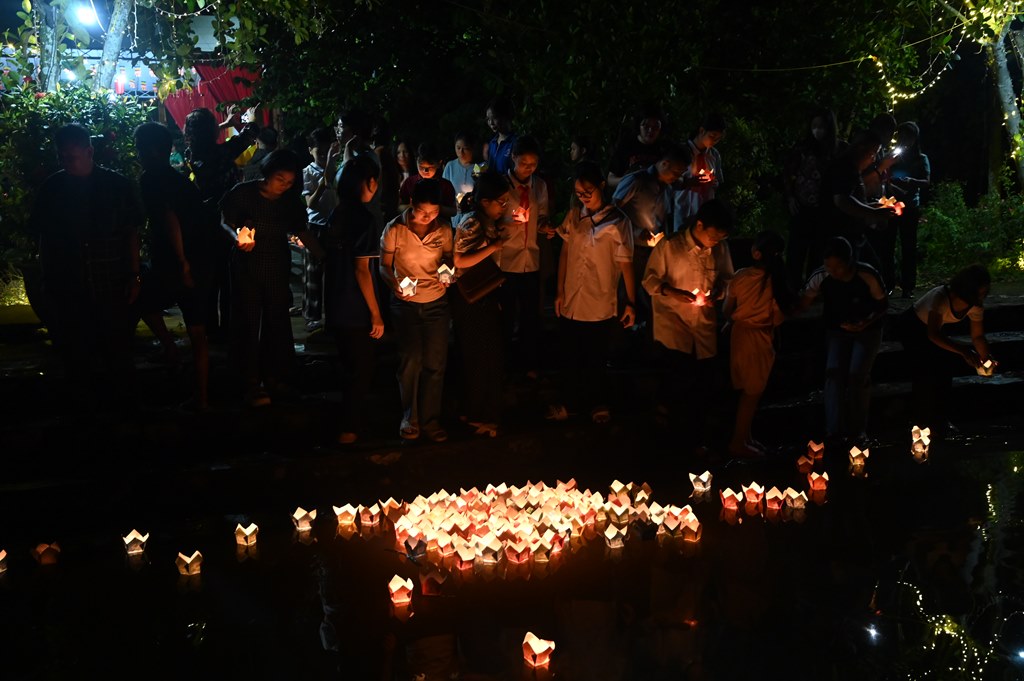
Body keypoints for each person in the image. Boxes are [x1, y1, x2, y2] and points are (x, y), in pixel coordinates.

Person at [31, 123, 143, 411]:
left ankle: (122, 411)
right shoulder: (53, 189)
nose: (66, 163)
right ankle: (84, 412)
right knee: (75, 353)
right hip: (69, 284)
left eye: (71, 157)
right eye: (62, 157)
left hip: (110, 281)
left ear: (89, 152)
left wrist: (133, 275)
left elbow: (130, 232)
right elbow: (44, 237)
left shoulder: (116, 186)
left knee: (116, 350)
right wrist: (46, 278)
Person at [220, 149, 325, 407]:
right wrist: (237, 238)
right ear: (268, 173)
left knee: (276, 322)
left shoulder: (289, 202)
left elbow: (302, 230)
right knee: (248, 322)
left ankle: (276, 378)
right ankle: (249, 382)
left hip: (277, 266)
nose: (284, 186)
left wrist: (323, 256)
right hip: (246, 267)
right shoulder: (243, 193)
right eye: (280, 179)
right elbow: (224, 221)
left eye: (290, 182)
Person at [548, 161, 636, 424]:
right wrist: (559, 290)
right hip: (572, 296)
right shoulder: (575, 215)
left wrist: (631, 302)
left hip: (600, 298)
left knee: (595, 355)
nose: (583, 197)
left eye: (588, 191)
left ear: (601, 186)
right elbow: (565, 252)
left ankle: (597, 403)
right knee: (570, 354)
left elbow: (626, 264)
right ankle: (569, 403)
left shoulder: (618, 221)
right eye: (578, 192)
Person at [642, 199, 734, 449]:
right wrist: (671, 291)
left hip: (703, 325)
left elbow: (728, 279)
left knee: (703, 381)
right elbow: (649, 280)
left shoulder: (720, 249)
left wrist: (718, 293)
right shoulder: (670, 246)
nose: (715, 242)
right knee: (678, 377)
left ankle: (697, 437)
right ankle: (671, 437)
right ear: (699, 225)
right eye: (713, 237)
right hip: (674, 324)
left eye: (720, 239)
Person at [134, 122, 213, 410]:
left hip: (176, 262)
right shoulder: (180, 181)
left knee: (141, 301)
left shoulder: (151, 180)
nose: (138, 154)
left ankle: (170, 349)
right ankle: (202, 398)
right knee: (197, 332)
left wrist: (182, 263)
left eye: (140, 149)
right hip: (198, 260)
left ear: (153, 150)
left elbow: (170, 221)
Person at [379, 179, 454, 442]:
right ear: (411, 204)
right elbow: (384, 265)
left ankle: (431, 421)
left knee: (435, 363)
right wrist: (394, 284)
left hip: (436, 303)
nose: (428, 217)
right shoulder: (395, 229)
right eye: (423, 212)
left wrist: (446, 273)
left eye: (434, 212)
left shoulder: (444, 229)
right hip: (405, 305)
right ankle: (410, 418)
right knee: (411, 359)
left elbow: (448, 257)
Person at [799, 236, 888, 446]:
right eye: (828, 266)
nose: (833, 271)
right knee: (833, 374)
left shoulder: (867, 274)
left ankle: (858, 431)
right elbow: (804, 301)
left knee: (857, 376)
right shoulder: (821, 276)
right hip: (836, 329)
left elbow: (883, 304)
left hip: (868, 330)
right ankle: (834, 430)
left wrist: (865, 322)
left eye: (837, 267)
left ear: (849, 262)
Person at [323, 154, 386, 444]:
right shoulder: (364, 218)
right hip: (356, 306)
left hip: (336, 301)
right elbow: (362, 270)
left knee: (348, 366)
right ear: (369, 182)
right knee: (361, 369)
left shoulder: (338, 213)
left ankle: (349, 425)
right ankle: (350, 429)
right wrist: (376, 313)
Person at [183, 106, 258, 340]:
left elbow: (210, 138)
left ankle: (210, 329)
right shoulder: (221, 153)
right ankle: (228, 327)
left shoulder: (193, 152)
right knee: (229, 276)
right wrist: (251, 119)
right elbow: (248, 136)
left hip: (203, 220)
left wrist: (225, 124)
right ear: (212, 131)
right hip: (227, 218)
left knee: (209, 277)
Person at [723, 230, 796, 457]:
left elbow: (726, 310)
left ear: (756, 252)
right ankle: (738, 442)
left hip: (739, 336)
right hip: (759, 339)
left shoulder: (740, 276)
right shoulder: (776, 283)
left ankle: (746, 437)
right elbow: (778, 318)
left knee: (748, 392)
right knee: (752, 393)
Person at [896, 264, 991, 435]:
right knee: (925, 371)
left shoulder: (975, 306)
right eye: (980, 291)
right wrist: (963, 351)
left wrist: (985, 358)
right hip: (913, 326)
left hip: (935, 330)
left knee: (945, 368)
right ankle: (919, 422)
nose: (982, 295)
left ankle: (940, 419)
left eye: (985, 291)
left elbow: (977, 336)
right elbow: (933, 334)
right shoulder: (941, 297)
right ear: (968, 288)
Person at [451, 171, 512, 438]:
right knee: (481, 357)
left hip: (484, 294)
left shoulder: (485, 221)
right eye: (501, 201)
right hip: (471, 298)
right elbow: (459, 261)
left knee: (486, 356)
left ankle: (477, 411)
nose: (504, 207)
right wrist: (493, 247)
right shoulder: (472, 223)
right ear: (485, 201)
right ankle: (479, 414)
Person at [612, 144, 691, 336]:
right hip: (630, 251)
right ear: (664, 163)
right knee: (625, 296)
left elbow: (663, 218)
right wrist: (636, 231)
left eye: (681, 173)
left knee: (650, 297)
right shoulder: (636, 181)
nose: (677, 177)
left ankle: (646, 338)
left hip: (654, 251)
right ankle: (618, 341)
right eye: (676, 172)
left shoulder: (667, 188)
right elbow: (613, 211)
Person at [497, 135, 553, 379]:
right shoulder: (501, 185)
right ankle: (503, 365)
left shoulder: (539, 186)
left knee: (530, 315)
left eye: (533, 164)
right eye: (524, 163)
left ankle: (529, 363)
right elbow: (491, 219)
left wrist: (544, 226)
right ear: (513, 158)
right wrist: (509, 223)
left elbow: (542, 216)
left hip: (530, 258)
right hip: (506, 260)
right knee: (506, 316)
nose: (528, 169)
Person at [783, 107, 843, 288]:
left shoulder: (837, 150)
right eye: (814, 126)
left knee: (819, 252)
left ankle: (813, 289)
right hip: (801, 207)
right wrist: (790, 197)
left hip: (825, 210)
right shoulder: (802, 148)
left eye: (821, 126)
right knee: (796, 251)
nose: (817, 130)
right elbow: (788, 173)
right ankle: (792, 288)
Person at [825, 130, 897, 275]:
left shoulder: (853, 168)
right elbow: (842, 200)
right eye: (873, 153)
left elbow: (853, 200)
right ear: (861, 148)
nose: (873, 159)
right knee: (864, 272)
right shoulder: (844, 168)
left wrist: (874, 207)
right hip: (843, 235)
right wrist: (873, 212)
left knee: (872, 270)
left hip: (855, 233)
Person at [302, 128, 340, 332]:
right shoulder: (307, 172)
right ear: (310, 150)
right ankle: (312, 315)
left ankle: (333, 314)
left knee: (334, 272)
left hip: (334, 226)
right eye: (320, 152)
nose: (324, 156)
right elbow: (311, 203)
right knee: (313, 272)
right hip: (315, 226)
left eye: (327, 152)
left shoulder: (337, 169)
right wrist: (324, 181)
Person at [888, 122, 931, 298]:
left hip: (911, 206)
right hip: (890, 205)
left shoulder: (921, 158)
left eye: (909, 136)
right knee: (888, 245)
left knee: (909, 246)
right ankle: (888, 284)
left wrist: (911, 181)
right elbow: (883, 176)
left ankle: (908, 286)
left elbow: (926, 181)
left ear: (915, 139)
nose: (905, 140)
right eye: (902, 136)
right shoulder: (893, 156)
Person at [673, 112, 726, 232]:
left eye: (718, 139)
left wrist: (714, 182)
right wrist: (690, 182)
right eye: (712, 136)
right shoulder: (681, 151)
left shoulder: (714, 155)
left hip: (705, 212)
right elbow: (670, 182)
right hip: (683, 210)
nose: (714, 141)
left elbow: (719, 182)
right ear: (702, 131)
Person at [607, 104, 667, 188]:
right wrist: (629, 181)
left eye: (656, 126)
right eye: (646, 126)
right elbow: (610, 179)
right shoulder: (626, 146)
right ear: (639, 125)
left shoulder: (665, 149)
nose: (650, 130)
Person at [400, 143, 458, 217]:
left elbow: (453, 211)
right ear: (416, 161)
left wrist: (437, 208)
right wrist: (411, 207)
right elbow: (398, 207)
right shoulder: (410, 182)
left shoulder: (445, 185)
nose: (425, 171)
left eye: (430, 167)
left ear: (439, 163)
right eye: (421, 167)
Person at [442, 131, 478, 213]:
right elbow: (443, 191)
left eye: (465, 149)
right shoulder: (450, 166)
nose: (461, 152)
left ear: (472, 148)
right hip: (455, 214)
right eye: (458, 148)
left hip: (474, 214)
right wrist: (453, 203)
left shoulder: (479, 167)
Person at [483, 96, 518, 175]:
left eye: (494, 117)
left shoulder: (516, 143)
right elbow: (489, 165)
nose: (491, 123)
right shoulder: (492, 143)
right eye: (488, 119)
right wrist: (477, 171)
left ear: (506, 116)